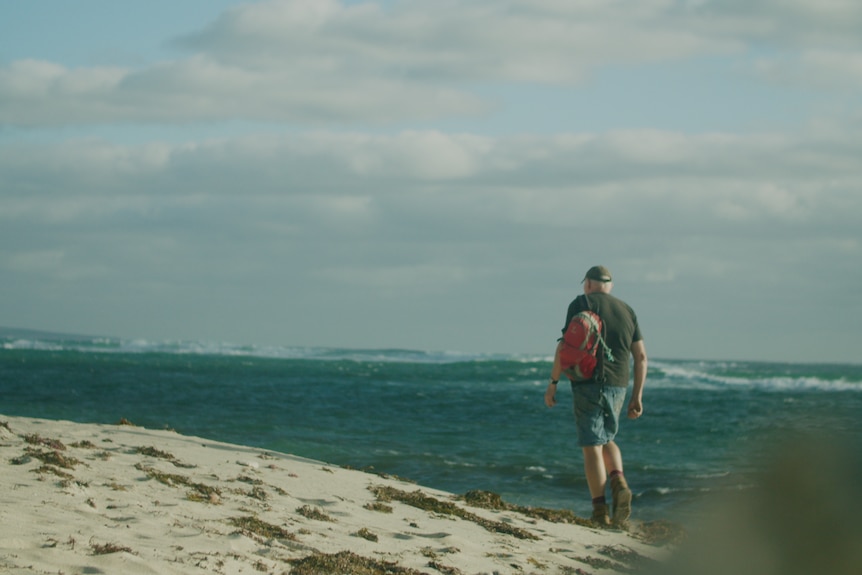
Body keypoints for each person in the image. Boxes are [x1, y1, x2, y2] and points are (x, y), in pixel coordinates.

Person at [544, 265, 647, 529]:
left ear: (589, 283)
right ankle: (619, 481)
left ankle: (600, 510)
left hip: (587, 382)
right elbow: (641, 357)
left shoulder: (580, 303)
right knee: (606, 437)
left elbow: (563, 346)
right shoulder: (628, 310)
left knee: (591, 445)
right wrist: (638, 396)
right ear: (609, 285)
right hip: (619, 385)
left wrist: (553, 384)